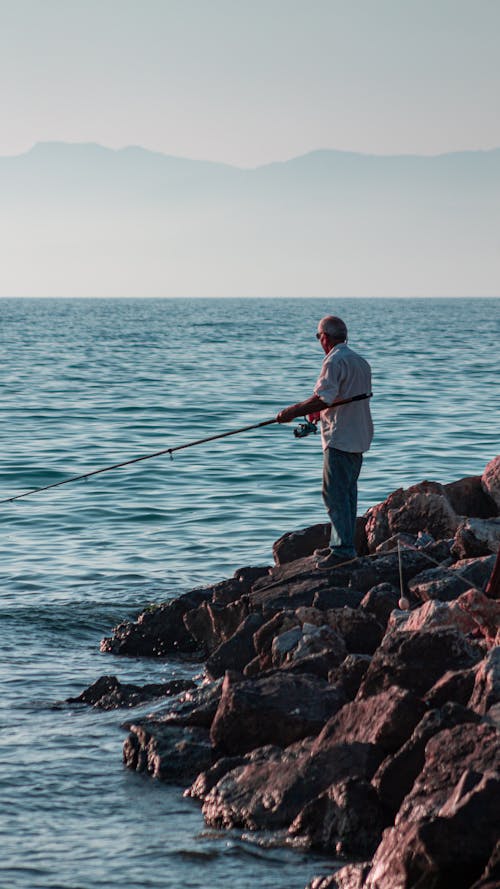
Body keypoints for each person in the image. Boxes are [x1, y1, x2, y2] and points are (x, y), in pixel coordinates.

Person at [276, 315, 373, 568]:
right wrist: (319, 410)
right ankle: (342, 544)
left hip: (340, 437)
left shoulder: (333, 361)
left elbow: (324, 398)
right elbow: (338, 396)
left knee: (333, 495)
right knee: (348, 493)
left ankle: (342, 551)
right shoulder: (360, 362)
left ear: (326, 338)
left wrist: (291, 411)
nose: (319, 341)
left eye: (318, 336)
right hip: (359, 435)